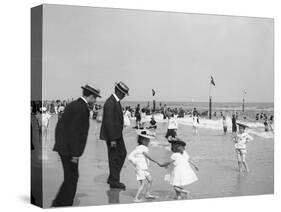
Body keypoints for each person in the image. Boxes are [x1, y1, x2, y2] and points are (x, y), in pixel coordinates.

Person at [52, 84, 101, 207]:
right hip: (70, 151)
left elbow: (60, 127)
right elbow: (75, 133)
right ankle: (64, 204)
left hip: (64, 148)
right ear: (90, 96)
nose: (95, 100)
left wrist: (60, 144)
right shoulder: (81, 108)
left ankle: (59, 202)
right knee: (72, 178)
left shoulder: (73, 104)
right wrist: (75, 154)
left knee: (70, 177)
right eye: (95, 98)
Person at [100, 81, 129, 189]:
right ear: (118, 92)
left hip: (117, 135)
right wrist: (112, 139)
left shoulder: (115, 101)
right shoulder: (110, 102)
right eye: (123, 94)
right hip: (113, 136)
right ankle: (114, 180)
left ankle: (113, 178)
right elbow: (108, 122)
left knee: (121, 154)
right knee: (114, 157)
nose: (124, 96)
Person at [128, 130, 160, 202]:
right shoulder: (142, 147)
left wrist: (135, 162)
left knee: (150, 180)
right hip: (141, 168)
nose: (149, 141)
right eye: (147, 140)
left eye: (149, 140)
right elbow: (147, 156)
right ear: (143, 140)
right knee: (143, 184)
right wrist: (136, 162)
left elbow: (130, 156)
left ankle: (147, 194)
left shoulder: (139, 147)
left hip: (143, 168)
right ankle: (135, 198)